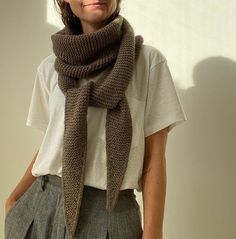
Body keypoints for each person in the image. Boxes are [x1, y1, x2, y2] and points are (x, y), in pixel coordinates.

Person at [4, 0, 187, 239]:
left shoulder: (148, 62)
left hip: (112, 212)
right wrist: (14, 198)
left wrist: (154, 232)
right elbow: (54, 145)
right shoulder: (50, 68)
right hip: (43, 206)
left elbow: (154, 157)